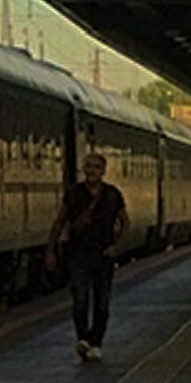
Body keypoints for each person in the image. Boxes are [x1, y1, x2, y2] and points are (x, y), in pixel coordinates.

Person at [54, 149, 129, 362]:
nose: (92, 171)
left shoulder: (113, 194)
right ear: (83, 169)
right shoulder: (74, 193)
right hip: (78, 254)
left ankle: (96, 341)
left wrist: (117, 246)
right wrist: (50, 250)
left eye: (96, 167)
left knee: (102, 303)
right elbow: (60, 221)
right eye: (88, 167)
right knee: (80, 299)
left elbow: (125, 222)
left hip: (104, 255)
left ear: (104, 170)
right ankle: (83, 340)